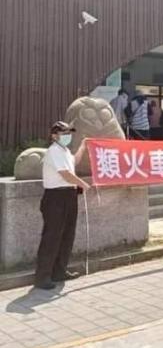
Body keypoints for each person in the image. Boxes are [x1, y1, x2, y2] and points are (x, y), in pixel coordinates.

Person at [34, 122, 92, 290]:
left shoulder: (65, 151)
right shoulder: (53, 151)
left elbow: (73, 162)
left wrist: (83, 146)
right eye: (64, 133)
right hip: (56, 198)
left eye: (69, 133)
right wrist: (82, 183)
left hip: (69, 196)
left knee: (67, 235)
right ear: (54, 135)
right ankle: (42, 277)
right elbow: (65, 174)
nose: (68, 136)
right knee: (52, 237)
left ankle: (59, 271)